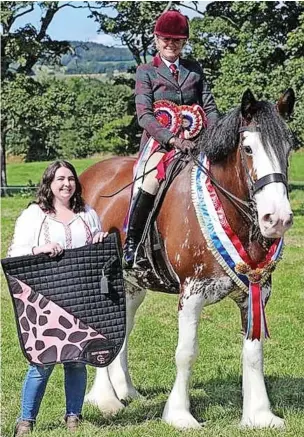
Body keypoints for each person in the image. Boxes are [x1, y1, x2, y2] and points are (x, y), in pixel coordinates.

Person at [8, 160, 108, 436]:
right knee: (42, 361)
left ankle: (73, 416)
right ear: (49, 183)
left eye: (71, 179)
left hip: (80, 296)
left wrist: (99, 238)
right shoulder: (34, 215)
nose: (67, 184)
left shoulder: (87, 213)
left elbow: (93, 254)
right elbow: (15, 253)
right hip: (46, 297)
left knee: (77, 359)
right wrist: (39, 248)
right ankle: (26, 420)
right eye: (60, 179)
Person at [123, 10, 220, 268]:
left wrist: (214, 135)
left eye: (176, 40)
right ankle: (133, 243)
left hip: (198, 142)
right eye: (165, 39)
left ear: (184, 42)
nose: (170, 44)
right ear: (156, 40)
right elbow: (144, 115)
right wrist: (173, 140)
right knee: (151, 180)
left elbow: (209, 107)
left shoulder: (195, 70)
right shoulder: (146, 72)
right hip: (160, 145)